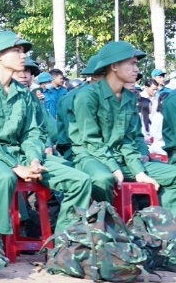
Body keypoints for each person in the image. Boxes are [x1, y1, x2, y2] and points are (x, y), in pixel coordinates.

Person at [0, 31, 94, 238]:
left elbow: (32, 132)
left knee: (80, 179)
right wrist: (15, 166)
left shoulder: (23, 93)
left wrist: (33, 159)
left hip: (21, 155)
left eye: (23, 51)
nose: (23, 55)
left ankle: (65, 243)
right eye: (17, 50)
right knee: (4, 176)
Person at [69, 41, 176, 207]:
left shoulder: (130, 97)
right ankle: (103, 226)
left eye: (136, 64)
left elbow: (128, 140)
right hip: (91, 158)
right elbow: (90, 140)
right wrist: (113, 168)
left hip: (122, 159)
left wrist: (138, 171)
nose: (137, 69)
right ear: (114, 66)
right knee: (103, 179)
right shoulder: (87, 96)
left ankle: (163, 228)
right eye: (132, 63)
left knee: (173, 174)